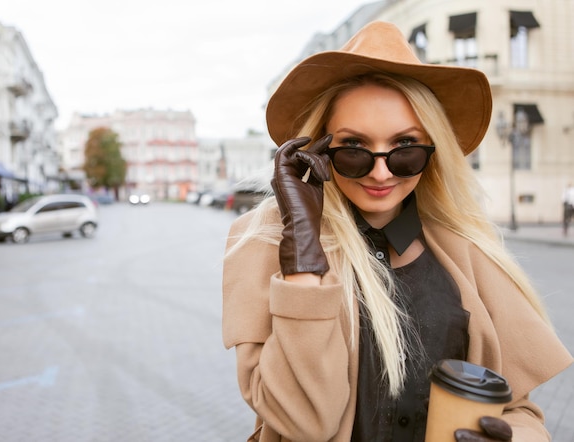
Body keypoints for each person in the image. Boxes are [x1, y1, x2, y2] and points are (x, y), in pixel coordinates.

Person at [222, 21, 572, 442]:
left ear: (432, 150)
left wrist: (511, 437)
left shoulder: (466, 249)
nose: (381, 171)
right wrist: (302, 253)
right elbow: (302, 423)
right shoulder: (267, 242)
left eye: (404, 148)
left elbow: (518, 410)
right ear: (317, 149)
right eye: (354, 148)